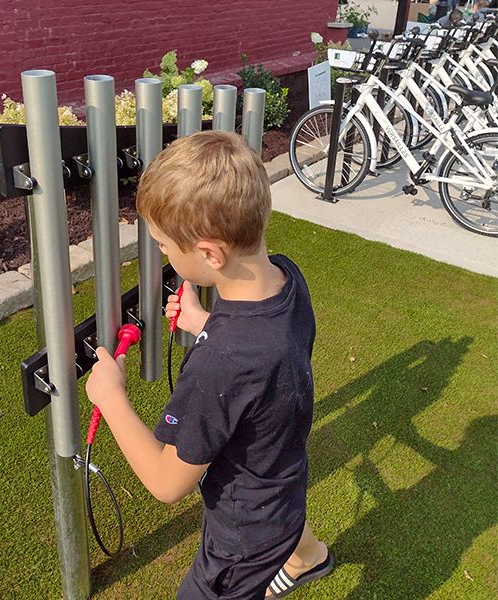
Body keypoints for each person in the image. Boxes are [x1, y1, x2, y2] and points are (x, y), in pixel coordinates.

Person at [85, 130, 332, 599]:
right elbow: (262, 361)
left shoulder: (220, 363)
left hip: (243, 536)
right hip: (283, 477)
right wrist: (204, 322)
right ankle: (308, 556)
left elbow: (166, 482)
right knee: (285, 521)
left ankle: (297, 556)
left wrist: (112, 399)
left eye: (162, 245)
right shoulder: (286, 276)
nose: (161, 252)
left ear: (211, 254)